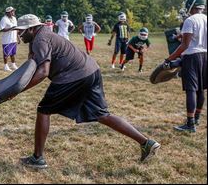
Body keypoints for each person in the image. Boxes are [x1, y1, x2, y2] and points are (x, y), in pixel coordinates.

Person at [13, 14, 160, 169]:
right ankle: (146, 143)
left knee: (43, 110)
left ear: (31, 29)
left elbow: (43, 71)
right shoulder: (43, 34)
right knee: (102, 114)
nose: (19, 35)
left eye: (22, 31)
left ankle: (37, 159)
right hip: (91, 70)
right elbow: (32, 62)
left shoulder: (40, 39)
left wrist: (18, 89)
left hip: (73, 76)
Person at [166, 0, 207, 132]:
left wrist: (169, 59)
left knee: (191, 90)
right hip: (205, 56)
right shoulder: (206, 18)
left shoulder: (190, 20)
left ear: (191, 3)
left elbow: (184, 45)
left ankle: (190, 124)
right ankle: (196, 118)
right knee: (201, 89)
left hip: (192, 57)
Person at [0, 6, 20, 71]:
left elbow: (16, 29)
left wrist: (18, 37)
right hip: (7, 39)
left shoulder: (14, 18)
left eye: (13, 11)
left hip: (13, 39)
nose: (13, 12)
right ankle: (5, 66)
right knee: (6, 53)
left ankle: (13, 65)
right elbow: (1, 29)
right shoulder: (4, 19)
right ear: (8, 12)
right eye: (12, 11)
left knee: (13, 53)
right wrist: (11, 28)